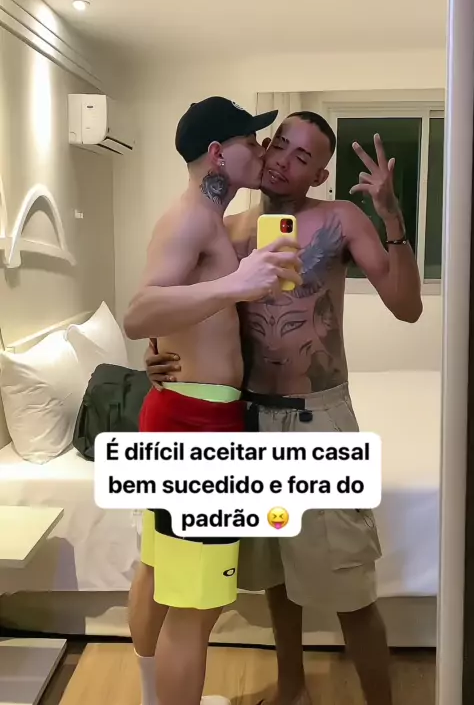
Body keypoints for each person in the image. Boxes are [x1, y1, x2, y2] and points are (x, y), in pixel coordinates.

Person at [146, 110, 423, 705]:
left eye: (303, 157)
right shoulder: (227, 229)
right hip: (248, 419)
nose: (283, 161)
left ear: (319, 173)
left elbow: (407, 307)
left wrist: (391, 216)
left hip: (318, 420)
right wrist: (158, 355)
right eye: (279, 145)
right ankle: (293, 685)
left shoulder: (341, 218)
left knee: (351, 588)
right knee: (274, 576)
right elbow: (179, 306)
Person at [123, 96, 302, 705]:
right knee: (195, 609)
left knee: (158, 574)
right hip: (196, 428)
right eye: (251, 142)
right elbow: (138, 311)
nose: (262, 151)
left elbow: (167, 309)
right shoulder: (192, 220)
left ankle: (154, 697)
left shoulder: (207, 222)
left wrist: (168, 338)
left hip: (185, 415)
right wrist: (237, 284)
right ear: (219, 153)